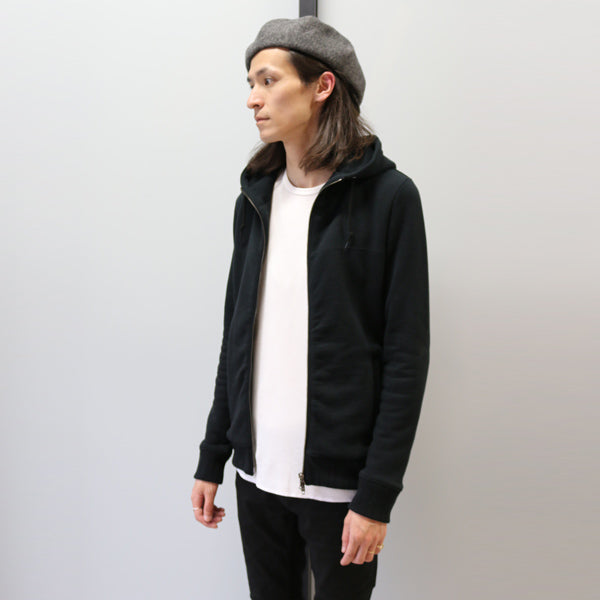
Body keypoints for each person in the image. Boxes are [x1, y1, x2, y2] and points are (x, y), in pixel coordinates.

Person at [191, 16, 429, 600]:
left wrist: (376, 497)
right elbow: (236, 339)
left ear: (322, 86)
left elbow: (405, 358)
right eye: (251, 83)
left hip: (340, 490)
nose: (253, 99)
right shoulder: (254, 199)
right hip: (256, 477)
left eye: (268, 81)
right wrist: (212, 456)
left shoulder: (391, 198)